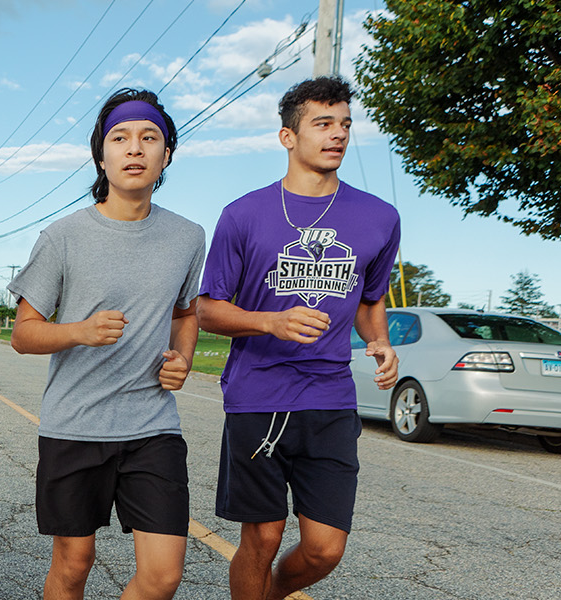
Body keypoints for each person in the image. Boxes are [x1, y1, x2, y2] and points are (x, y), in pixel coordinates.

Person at [195, 76, 400, 600]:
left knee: (325, 549)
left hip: (330, 396)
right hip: (258, 395)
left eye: (345, 125)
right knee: (261, 539)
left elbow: (369, 298)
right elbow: (207, 310)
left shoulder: (379, 217)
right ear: (288, 137)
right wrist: (272, 321)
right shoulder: (243, 215)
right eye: (323, 124)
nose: (338, 135)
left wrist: (379, 341)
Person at [7, 89, 205, 600]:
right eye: (120, 138)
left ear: (166, 155)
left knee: (163, 575)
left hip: (151, 426)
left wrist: (182, 355)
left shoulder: (187, 237)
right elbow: (23, 333)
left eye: (148, 138)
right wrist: (79, 331)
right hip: (75, 425)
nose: (134, 148)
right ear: (102, 155)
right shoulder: (63, 236)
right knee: (74, 566)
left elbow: (187, 311)